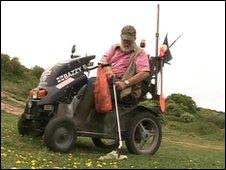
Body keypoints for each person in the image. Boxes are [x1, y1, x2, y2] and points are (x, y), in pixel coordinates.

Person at [99, 25, 150, 104]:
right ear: (121, 37)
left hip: (123, 87)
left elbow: (144, 73)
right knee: (85, 82)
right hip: (107, 81)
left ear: (134, 39)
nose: (126, 43)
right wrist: (109, 70)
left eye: (129, 40)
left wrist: (125, 83)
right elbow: (103, 59)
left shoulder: (140, 53)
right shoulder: (115, 47)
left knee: (94, 87)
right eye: (124, 40)